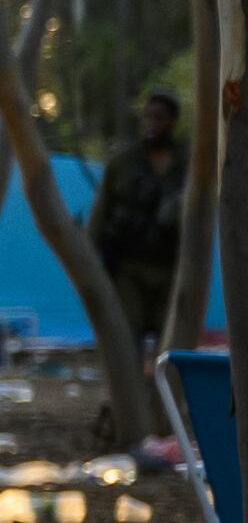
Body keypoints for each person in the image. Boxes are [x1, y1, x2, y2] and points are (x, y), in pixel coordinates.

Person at [91, 91, 190, 347]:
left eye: (160, 118)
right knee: (127, 335)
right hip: (129, 266)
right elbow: (101, 212)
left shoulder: (186, 163)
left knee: (169, 340)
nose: (152, 124)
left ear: (172, 121)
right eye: (148, 117)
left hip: (170, 267)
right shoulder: (123, 163)